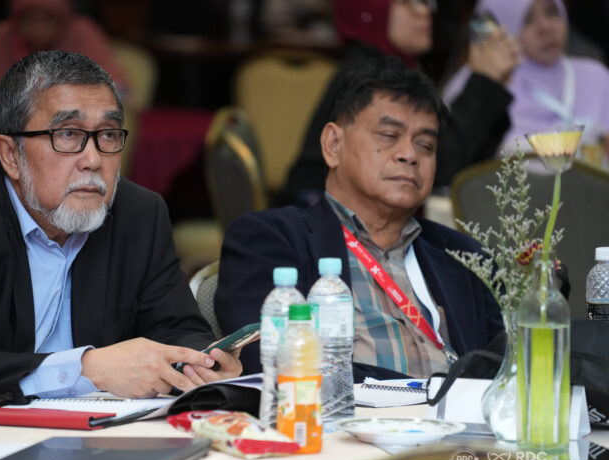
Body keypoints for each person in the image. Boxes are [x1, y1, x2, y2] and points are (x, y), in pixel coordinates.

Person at [0, 50, 242, 417]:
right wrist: (87, 369)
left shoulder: (139, 215)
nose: (93, 159)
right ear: (11, 155)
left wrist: (201, 362)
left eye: (108, 134)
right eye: (67, 134)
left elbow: (177, 329)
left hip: (98, 438)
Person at [215, 58, 504, 379]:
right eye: (389, 135)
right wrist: (419, 392)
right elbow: (272, 363)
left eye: (426, 144)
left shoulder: (463, 256)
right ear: (333, 144)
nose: (410, 155)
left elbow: (506, 366)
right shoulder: (270, 240)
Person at [279, 0, 520, 206]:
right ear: (370, 9)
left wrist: (491, 83)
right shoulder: (367, 76)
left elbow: (459, 164)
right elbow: (438, 168)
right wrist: (484, 82)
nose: (424, 11)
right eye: (407, 1)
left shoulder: (396, 70)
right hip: (324, 223)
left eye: (425, 1)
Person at [444, 0, 609, 164]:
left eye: (551, 12)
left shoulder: (595, 78)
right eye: (527, 20)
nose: (546, 27)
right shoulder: (479, 86)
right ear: (499, 28)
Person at [0, 0, 126, 106]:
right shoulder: (1, 35)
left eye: (46, 20)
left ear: (62, 18)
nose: (37, 28)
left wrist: (58, 92)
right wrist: (6, 91)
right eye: (29, 19)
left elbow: (120, 90)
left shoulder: (82, 33)